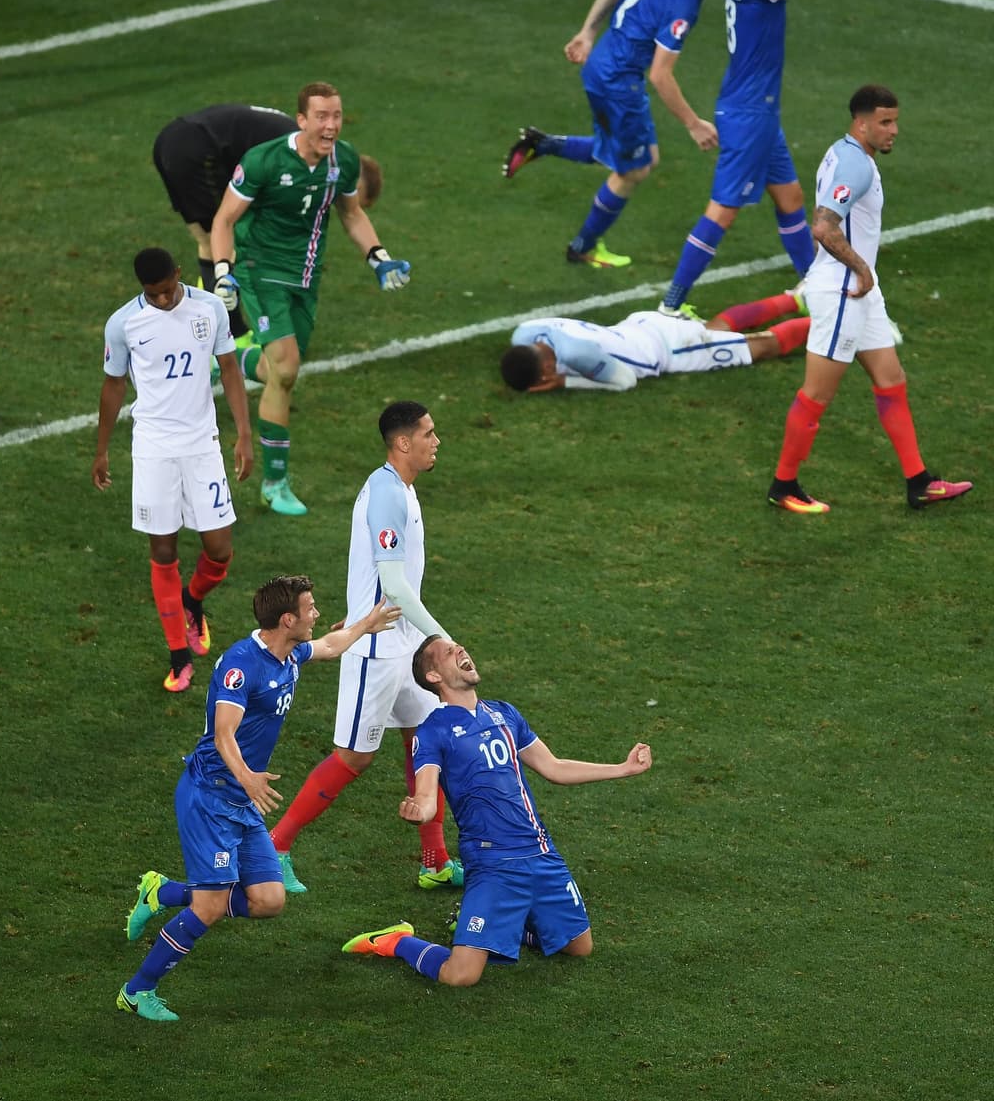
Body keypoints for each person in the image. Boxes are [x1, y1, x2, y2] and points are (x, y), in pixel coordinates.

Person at [115, 576, 401, 1023]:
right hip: (210, 797)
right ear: (287, 619)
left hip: (240, 801)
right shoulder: (241, 666)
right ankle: (136, 991)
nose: (316, 614)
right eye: (310, 608)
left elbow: (329, 646)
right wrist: (248, 778)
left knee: (269, 900)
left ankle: (163, 891)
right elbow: (224, 733)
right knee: (209, 907)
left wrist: (366, 623)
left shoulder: (289, 655)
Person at [342, 635, 651, 987]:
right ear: (434, 676)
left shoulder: (505, 713)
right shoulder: (432, 732)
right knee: (460, 976)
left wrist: (622, 769)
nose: (461, 650)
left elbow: (553, 767)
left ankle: (504, 927)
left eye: (459, 647)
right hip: (493, 864)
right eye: (449, 652)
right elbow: (426, 795)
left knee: (579, 948)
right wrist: (420, 811)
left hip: (540, 853)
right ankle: (398, 941)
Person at [658, 0, 869, 317]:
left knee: (791, 198)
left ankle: (814, 287)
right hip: (749, 115)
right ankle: (671, 304)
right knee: (722, 210)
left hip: (756, 110)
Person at [269, 401, 462, 893]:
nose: (436, 441)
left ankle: (435, 861)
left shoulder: (401, 488)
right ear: (403, 442)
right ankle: (275, 847)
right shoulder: (387, 494)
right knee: (354, 758)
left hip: (405, 644)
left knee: (425, 743)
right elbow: (392, 584)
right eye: (429, 434)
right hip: (377, 651)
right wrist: (440, 637)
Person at [767, 85, 972, 514]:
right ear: (861, 124)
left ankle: (919, 483)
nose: (893, 130)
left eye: (895, 121)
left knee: (891, 379)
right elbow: (823, 227)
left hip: (861, 291)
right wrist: (861, 269)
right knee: (816, 394)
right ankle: (783, 486)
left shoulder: (844, 152)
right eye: (885, 122)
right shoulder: (855, 166)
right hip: (844, 291)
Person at [209, 81, 410, 517]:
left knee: (278, 372)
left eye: (336, 116)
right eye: (321, 116)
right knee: (286, 367)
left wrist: (378, 258)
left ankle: (228, 360)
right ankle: (274, 483)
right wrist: (224, 271)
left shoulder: (344, 161)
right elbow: (224, 219)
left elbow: (352, 213)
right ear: (301, 120)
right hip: (261, 269)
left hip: (306, 277)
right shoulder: (263, 160)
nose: (331, 125)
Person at [502, 0, 729, 269]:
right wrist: (693, 124)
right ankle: (583, 247)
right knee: (633, 171)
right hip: (618, 83)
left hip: (606, 67)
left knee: (645, 157)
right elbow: (660, 74)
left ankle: (542, 144)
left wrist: (587, 33)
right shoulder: (685, 2)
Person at [92, 247, 254, 694]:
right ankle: (178, 656)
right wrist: (102, 450)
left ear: (179, 275)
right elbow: (113, 385)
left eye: (167, 291)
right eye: (153, 294)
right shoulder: (123, 323)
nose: (162, 300)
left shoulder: (209, 309)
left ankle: (192, 600)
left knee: (219, 550)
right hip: (154, 448)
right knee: (163, 551)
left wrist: (243, 433)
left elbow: (229, 368)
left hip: (202, 445)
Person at [152, 103, 384, 339]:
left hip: (172, 141)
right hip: (198, 151)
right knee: (224, 239)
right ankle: (233, 335)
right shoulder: (305, 157)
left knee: (208, 241)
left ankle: (211, 316)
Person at [499, 289, 810, 393]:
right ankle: (795, 299)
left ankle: (829, 323)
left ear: (546, 368)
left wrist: (566, 382)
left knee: (756, 348)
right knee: (714, 328)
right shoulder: (523, 333)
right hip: (640, 324)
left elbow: (626, 381)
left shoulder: (577, 354)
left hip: (672, 348)